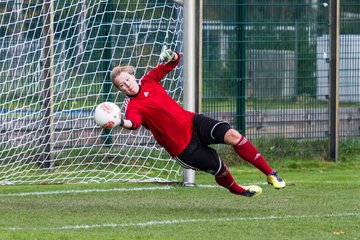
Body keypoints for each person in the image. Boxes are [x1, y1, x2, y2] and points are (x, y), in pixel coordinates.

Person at [110, 49, 285, 197]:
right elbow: (134, 124)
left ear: (133, 76)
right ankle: (239, 190)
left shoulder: (149, 80)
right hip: (183, 147)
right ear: (120, 90)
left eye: (128, 80)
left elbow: (174, 61)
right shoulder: (132, 106)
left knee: (233, 135)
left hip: (193, 122)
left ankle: (270, 173)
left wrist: (171, 55)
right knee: (221, 169)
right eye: (122, 85)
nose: (127, 85)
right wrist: (119, 121)